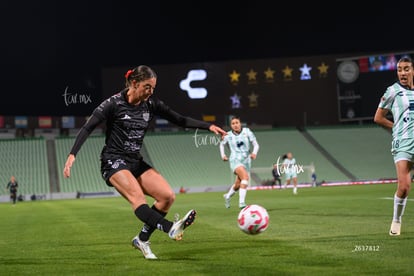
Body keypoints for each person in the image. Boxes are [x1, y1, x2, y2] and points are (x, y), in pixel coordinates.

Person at [63, 65, 227, 259]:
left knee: (167, 197)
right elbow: (88, 127)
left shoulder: (151, 104)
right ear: (134, 83)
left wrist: (208, 126)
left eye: (153, 88)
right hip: (113, 161)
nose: (151, 91)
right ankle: (170, 228)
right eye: (147, 87)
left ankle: (141, 239)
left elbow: (180, 120)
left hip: (135, 161)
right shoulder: (113, 104)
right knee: (137, 198)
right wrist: (73, 154)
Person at [374, 55, 414, 236]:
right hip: (403, 142)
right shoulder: (392, 91)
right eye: (399, 69)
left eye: (406, 69)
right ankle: (396, 220)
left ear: (413, 70)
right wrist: (395, 127)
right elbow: (378, 118)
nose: (403, 73)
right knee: (404, 186)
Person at [220, 116, 259, 209]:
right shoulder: (228, 135)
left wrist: (254, 153)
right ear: (231, 125)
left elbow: (255, 144)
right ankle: (242, 203)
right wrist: (223, 155)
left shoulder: (247, 131)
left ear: (240, 123)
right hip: (235, 159)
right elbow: (221, 145)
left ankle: (228, 196)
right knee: (245, 177)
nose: (235, 125)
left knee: (238, 184)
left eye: (237, 123)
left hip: (246, 160)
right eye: (233, 124)